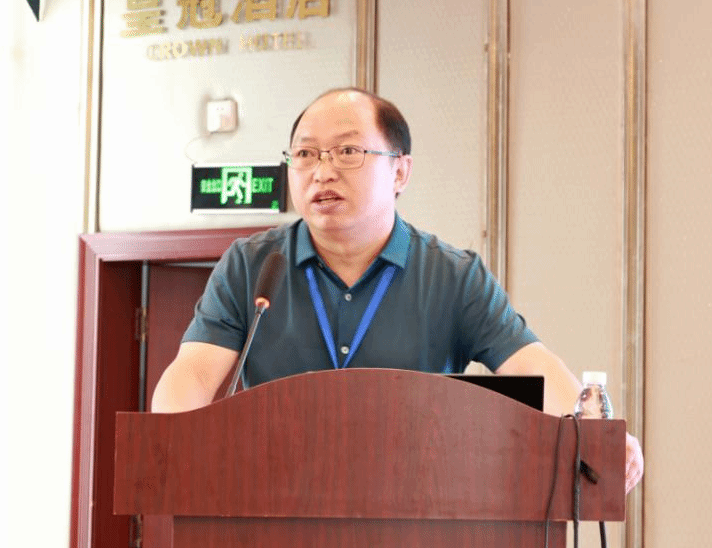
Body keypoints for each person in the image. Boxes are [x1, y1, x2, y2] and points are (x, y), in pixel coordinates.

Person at [151, 87, 644, 493]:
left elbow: (528, 362)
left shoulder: (453, 276)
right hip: (273, 510)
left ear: (400, 171)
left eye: (348, 152)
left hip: (414, 523)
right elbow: (193, 373)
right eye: (305, 154)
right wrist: (170, 445)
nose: (322, 171)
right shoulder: (252, 267)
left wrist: (596, 436)